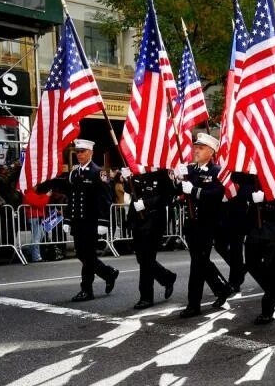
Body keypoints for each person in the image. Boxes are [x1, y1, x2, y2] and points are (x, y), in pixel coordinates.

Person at [177, 133, 230, 318]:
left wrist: (195, 191)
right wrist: (177, 180)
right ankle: (222, 288)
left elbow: (217, 194)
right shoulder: (190, 170)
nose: (196, 150)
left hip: (207, 224)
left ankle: (194, 304)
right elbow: (178, 192)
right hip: (191, 224)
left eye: (201, 148)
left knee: (197, 264)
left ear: (211, 151)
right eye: (195, 147)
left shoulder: (217, 171)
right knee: (200, 260)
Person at [63, 139, 119, 302]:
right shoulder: (74, 173)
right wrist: (67, 219)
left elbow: (105, 199)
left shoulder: (99, 172)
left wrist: (103, 222)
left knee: (87, 256)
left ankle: (86, 290)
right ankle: (108, 273)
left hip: (92, 221)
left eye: (83, 151)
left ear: (91, 152)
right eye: (78, 152)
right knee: (82, 254)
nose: (79, 154)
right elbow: (71, 198)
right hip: (78, 221)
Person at [237, 172, 275, 325]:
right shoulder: (251, 173)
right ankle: (274, 288)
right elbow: (239, 187)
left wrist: (267, 198)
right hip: (255, 226)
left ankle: (267, 309)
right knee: (251, 263)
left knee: (271, 268)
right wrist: (252, 195)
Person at [123, 165, 177, 309]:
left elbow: (167, 195)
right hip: (137, 221)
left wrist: (146, 204)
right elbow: (130, 189)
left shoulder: (163, 174)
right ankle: (167, 277)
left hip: (153, 221)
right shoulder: (137, 171)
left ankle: (146, 297)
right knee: (142, 258)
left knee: (147, 259)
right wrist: (125, 178)